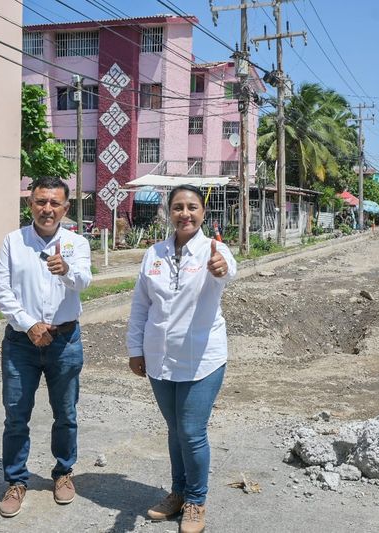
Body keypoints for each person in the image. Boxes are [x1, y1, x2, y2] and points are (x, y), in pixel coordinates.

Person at [126, 185, 236, 533]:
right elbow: (141, 305)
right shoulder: (153, 254)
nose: (185, 213)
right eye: (177, 207)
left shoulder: (214, 250)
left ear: (203, 212)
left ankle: (196, 501)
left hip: (203, 358)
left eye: (192, 207)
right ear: (168, 213)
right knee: (175, 430)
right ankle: (178, 492)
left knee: (191, 431)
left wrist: (221, 267)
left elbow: (227, 269)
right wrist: (135, 349)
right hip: (159, 357)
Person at [0, 176, 92, 518]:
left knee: (66, 413)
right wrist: (28, 323)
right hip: (22, 341)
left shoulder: (77, 244)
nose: (47, 209)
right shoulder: (13, 242)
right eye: (40, 202)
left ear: (65, 207)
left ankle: (63, 472)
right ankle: (17, 481)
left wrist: (65, 271)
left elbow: (84, 281)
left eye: (54, 203)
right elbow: (0, 290)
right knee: (16, 415)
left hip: (64, 340)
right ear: (30, 204)